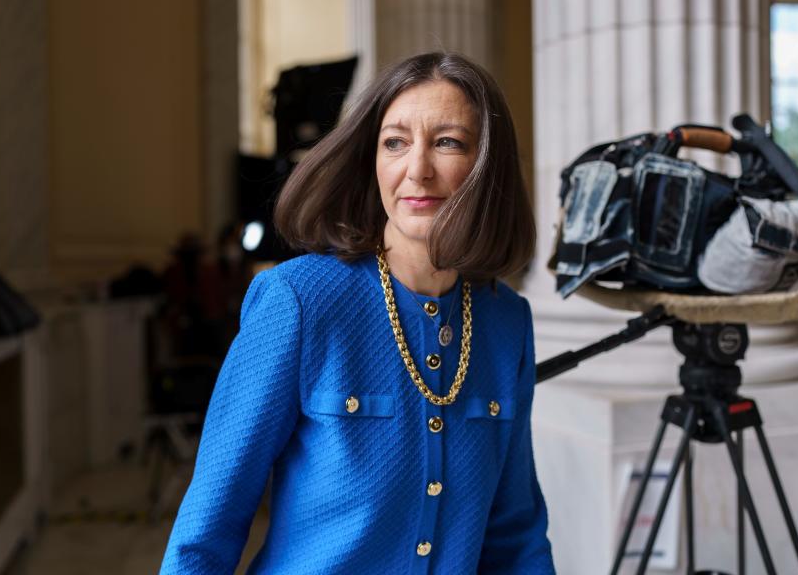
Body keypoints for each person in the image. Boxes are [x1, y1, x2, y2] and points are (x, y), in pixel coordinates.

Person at [160, 52, 555, 573]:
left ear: (486, 165)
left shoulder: (507, 324)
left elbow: (515, 536)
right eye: (395, 142)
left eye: (447, 142)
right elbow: (208, 527)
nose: (417, 169)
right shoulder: (298, 302)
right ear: (372, 161)